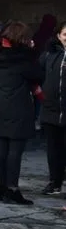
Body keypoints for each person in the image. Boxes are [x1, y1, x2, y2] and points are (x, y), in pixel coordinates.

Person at [0, 22, 41, 205]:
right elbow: (37, 74)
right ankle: (12, 189)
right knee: (15, 151)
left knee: (2, 148)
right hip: (19, 106)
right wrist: (32, 52)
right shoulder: (23, 59)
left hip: (0, 106)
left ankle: (1, 187)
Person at [40, 18, 66, 196]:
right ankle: (54, 182)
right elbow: (37, 73)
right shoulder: (50, 55)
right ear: (58, 35)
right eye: (65, 34)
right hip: (51, 109)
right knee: (53, 150)